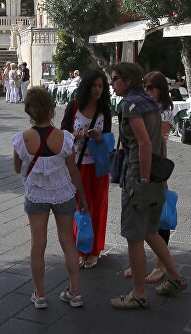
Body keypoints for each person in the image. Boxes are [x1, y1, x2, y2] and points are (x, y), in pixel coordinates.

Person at [109, 62, 186, 310]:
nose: (112, 83)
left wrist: (141, 180)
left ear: (128, 80)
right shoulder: (151, 102)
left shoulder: (130, 105)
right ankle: (174, 276)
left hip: (139, 175)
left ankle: (139, 294)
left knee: (135, 236)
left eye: (115, 79)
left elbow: (143, 144)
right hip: (157, 174)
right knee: (151, 231)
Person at [12, 86, 88, 310]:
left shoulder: (22, 139)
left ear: (29, 111)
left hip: (36, 194)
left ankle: (41, 294)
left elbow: (17, 169)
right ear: (51, 108)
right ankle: (75, 292)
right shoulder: (65, 138)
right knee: (67, 241)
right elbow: (74, 171)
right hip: (63, 192)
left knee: (38, 243)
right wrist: (81, 197)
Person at [125, 70, 176, 282]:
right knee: (139, 218)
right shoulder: (145, 107)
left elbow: (151, 134)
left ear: (160, 89)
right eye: (144, 87)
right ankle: (139, 263)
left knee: (159, 219)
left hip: (156, 168)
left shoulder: (164, 110)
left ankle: (160, 265)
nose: (146, 91)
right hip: (141, 165)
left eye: (150, 87)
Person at [60, 68, 112, 269]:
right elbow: (63, 134)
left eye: (101, 86)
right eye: (94, 85)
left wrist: (98, 137)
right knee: (80, 207)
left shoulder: (104, 109)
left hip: (98, 166)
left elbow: (107, 138)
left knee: (98, 207)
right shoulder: (73, 107)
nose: (97, 89)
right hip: (77, 166)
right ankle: (81, 248)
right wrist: (77, 133)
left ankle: (94, 250)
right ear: (86, 86)